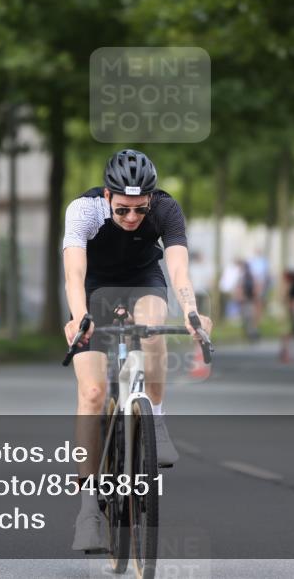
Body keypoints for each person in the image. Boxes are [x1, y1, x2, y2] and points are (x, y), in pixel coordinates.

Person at [62, 149, 212, 551]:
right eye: (123, 209)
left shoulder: (166, 209)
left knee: (151, 330)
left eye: (140, 210)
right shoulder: (83, 210)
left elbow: (178, 268)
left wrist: (193, 312)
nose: (131, 219)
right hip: (93, 288)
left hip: (143, 280)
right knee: (92, 393)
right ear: (108, 196)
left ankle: (156, 418)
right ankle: (88, 509)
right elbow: (74, 273)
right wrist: (80, 318)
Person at [235, 259, 259, 342]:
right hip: (248, 299)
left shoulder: (243, 276)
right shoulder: (250, 275)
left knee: (248, 316)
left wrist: (239, 297)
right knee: (248, 317)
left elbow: (239, 288)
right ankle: (251, 333)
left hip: (246, 299)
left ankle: (252, 333)